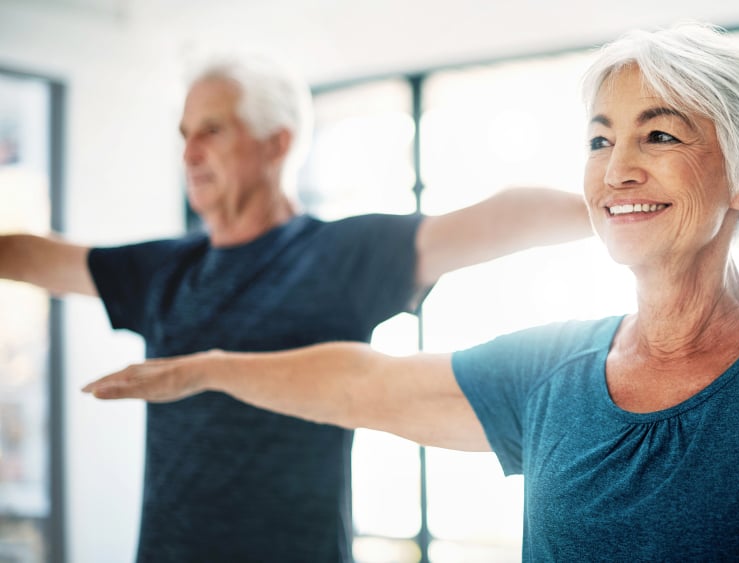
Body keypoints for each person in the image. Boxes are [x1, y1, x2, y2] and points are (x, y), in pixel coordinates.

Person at [82, 23, 739, 561]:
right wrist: (207, 367)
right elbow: (368, 383)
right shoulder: (558, 365)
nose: (618, 167)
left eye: (661, 135)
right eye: (601, 140)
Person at [0, 54, 593, 562]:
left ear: (276, 142)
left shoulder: (338, 255)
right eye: (184, 135)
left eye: (211, 131)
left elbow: (497, 219)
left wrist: (628, 210)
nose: (189, 153)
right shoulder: (163, 271)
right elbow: (34, 258)